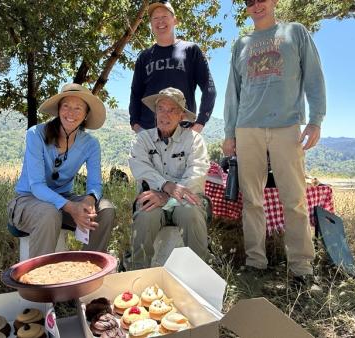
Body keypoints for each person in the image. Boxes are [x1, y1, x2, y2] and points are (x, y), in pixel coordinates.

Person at [222, 0, 326, 286]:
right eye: (249, 2)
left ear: (274, 2)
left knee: (294, 198)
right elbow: (234, 91)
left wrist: (316, 119)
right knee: (252, 200)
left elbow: (314, 77)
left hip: (286, 125)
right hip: (247, 127)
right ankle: (256, 263)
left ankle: (302, 267)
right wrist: (230, 132)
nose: (256, 5)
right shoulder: (241, 43)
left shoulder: (296, 32)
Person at [7, 83, 116, 258]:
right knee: (50, 213)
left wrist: (89, 200)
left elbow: (94, 183)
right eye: (66, 106)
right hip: (29, 200)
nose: (70, 113)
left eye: (78, 108)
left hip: (64, 199)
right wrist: (72, 207)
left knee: (105, 209)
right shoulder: (36, 134)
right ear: (58, 109)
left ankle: (90, 268)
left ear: (86, 114)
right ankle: (39, 279)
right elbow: (36, 186)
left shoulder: (90, 144)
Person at [128, 87, 210, 269]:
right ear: (155, 112)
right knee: (145, 215)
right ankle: (137, 275)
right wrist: (166, 185)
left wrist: (168, 196)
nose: (165, 114)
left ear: (182, 116)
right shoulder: (142, 140)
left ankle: (198, 275)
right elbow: (140, 167)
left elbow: (197, 173)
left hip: (185, 199)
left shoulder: (194, 140)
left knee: (190, 212)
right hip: (153, 198)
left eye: (172, 110)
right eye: (161, 109)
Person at [129, 0, 216, 134]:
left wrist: (200, 123)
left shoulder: (191, 50)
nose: (160, 21)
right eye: (155, 18)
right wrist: (135, 125)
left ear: (174, 20)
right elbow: (136, 93)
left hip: (183, 131)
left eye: (164, 17)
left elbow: (209, 88)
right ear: (151, 25)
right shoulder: (144, 57)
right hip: (148, 132)